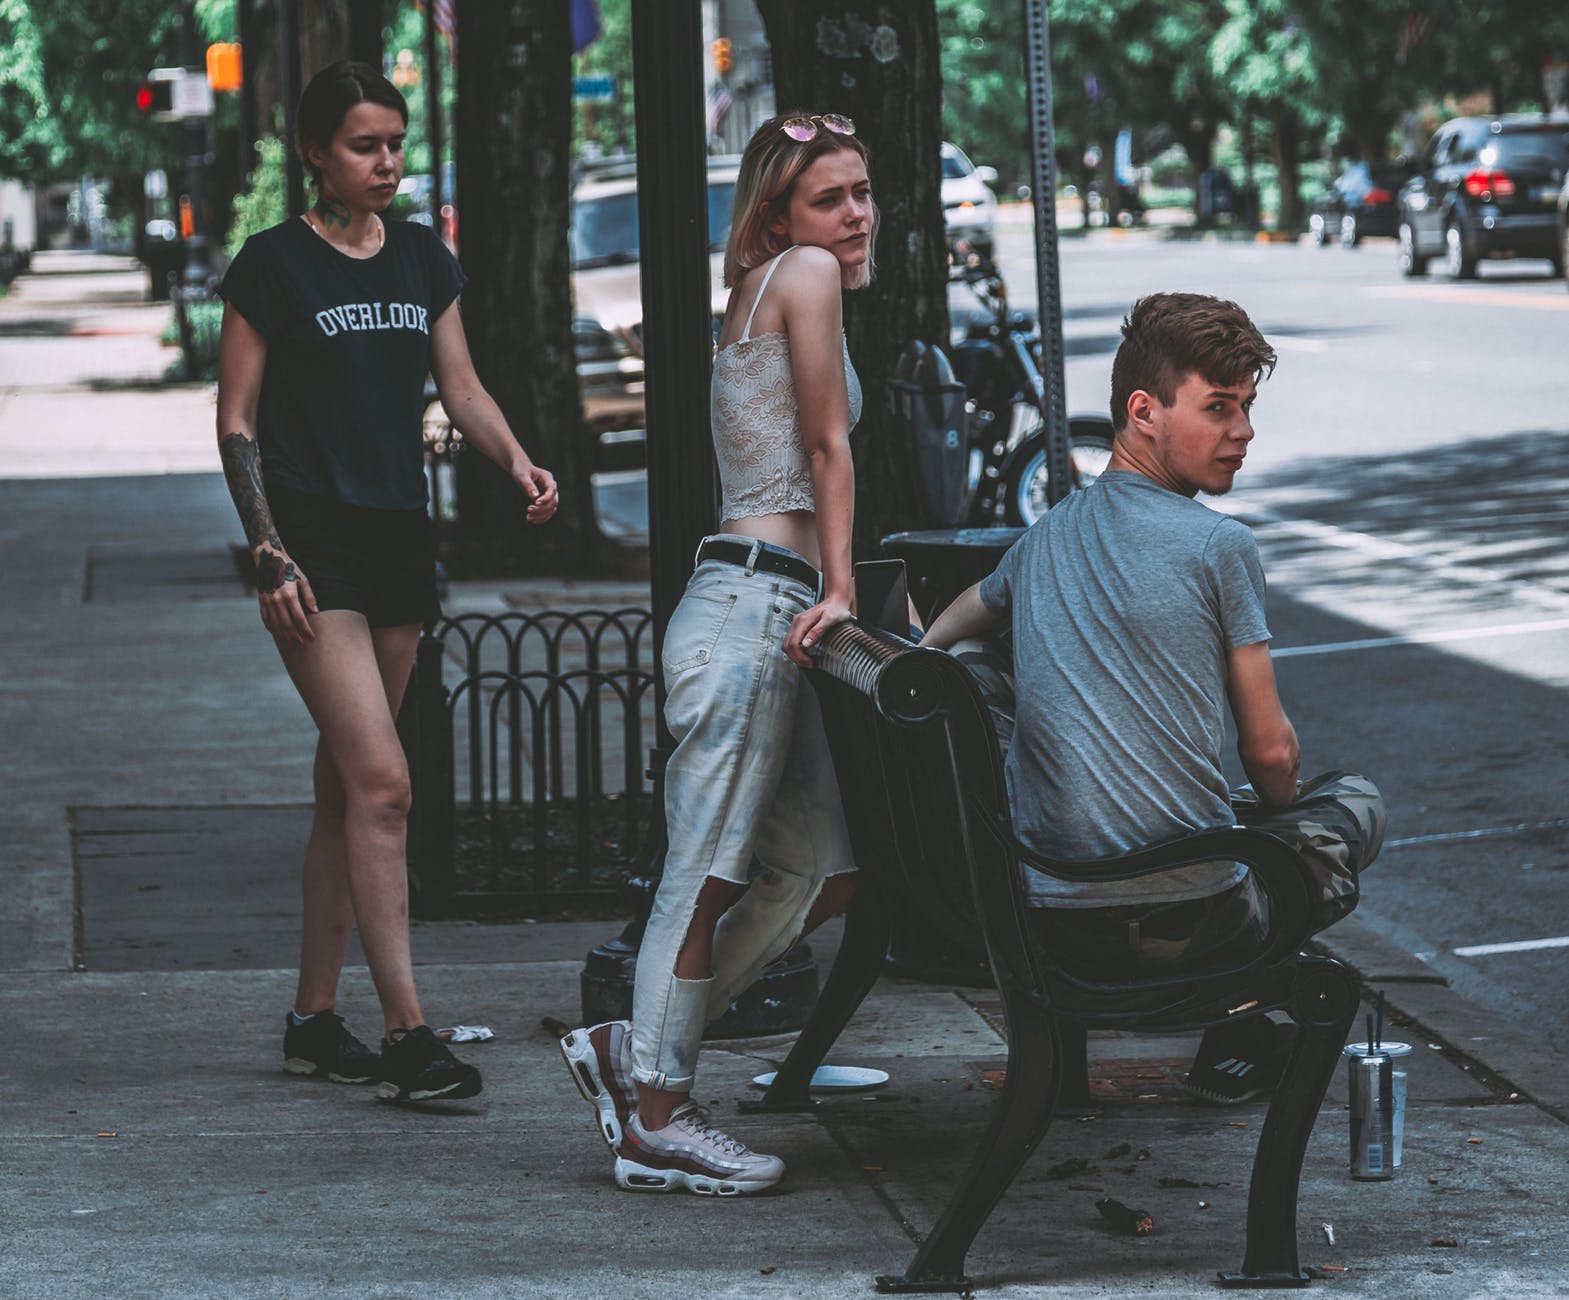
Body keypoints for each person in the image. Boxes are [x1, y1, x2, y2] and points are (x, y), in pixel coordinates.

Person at [920, 292, 1385, 1103]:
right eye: (1217, 407)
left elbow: (965, 616)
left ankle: (1237, 1040)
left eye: (1246, 407)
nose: (1242, 431)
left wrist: (918, 657)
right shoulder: (1218, 546)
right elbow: (1269, 753)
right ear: (1143, 411)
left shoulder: (1045, 534)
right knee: (1351, 806)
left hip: (1045, 917)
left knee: (1231, 818)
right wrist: (1275, 817)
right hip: (1188, 922)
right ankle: (1238, 1033)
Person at [214, 60, 558, 1102]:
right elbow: (236, 421)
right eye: (364, 145)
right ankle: (409, 1035)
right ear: (315, 152)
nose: (387, 163)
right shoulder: (272, 265)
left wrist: (517, 461)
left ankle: (314, 1023)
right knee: (384, 783)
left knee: (344, 789)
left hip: (399, 539)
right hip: (311, 547)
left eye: (396, 144)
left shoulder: (419, 256)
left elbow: (461, 385)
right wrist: (267, 549)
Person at [559, 111, 875, 1194]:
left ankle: (639, 1049)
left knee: (823, 872)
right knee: (704, 877)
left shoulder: (758, 285)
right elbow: (827, 445)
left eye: (862, 192)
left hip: (756, 606)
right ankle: (655, 1115)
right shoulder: (805, 275)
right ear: (779, 216)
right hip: (755, 607)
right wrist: (843, 587)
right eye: (830, 198)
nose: (856, 214)